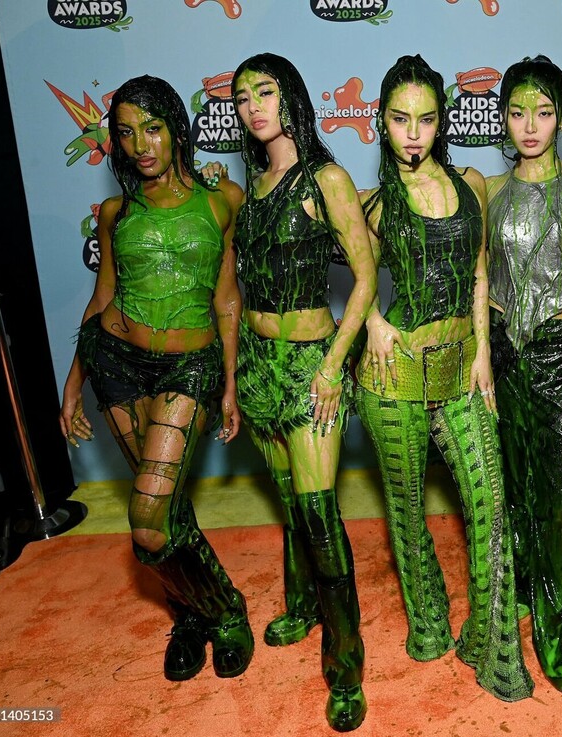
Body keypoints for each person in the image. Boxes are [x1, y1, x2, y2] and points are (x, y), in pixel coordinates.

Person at [58, 75, 252, 682]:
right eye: (126, 133)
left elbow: (227, 299)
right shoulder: (116, 212)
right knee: (166, 509)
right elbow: (101, 298)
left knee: (147, 515)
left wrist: (228, 384)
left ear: (177, 130)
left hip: (188, 367)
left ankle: (227, 611)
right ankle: (190, 616)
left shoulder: (222, 200)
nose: (141, 144)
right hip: (116, 362)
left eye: (153, 128)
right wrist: (72, 382)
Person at [354, 54, 533, 702]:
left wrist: (483, 352)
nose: (413, 134)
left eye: (426, 119)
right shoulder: (373, 204)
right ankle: (428, 626)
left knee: (491, 508)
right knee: (407, 518)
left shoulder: (471, 184)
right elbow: (352, 280)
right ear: (381, 121)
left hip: (461, 369)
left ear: (441, 122)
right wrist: (373, 318)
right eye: (400, 119)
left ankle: (493, 648)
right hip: (394, 375)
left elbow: (481, 273)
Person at [226, 52, 375, 730]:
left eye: (265, 92)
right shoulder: (252, 188)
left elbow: (365, 278)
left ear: (291, 98)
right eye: (242, 98)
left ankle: (346, 669)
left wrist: (333, 366)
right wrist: (234, 378)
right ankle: (304, 604)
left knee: (318, 513)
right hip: (259, 365)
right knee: (290, 503)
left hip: (312, 363)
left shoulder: (327, 178)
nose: (254, 107)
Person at [484, 55, 562, 694]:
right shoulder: (489, 191)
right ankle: (523, 594)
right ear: (503, 119)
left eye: (543, 112)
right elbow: (481, 278)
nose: (530, 126)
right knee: (515, 486)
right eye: (517, 112)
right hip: (503, 352)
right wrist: (481, 357)